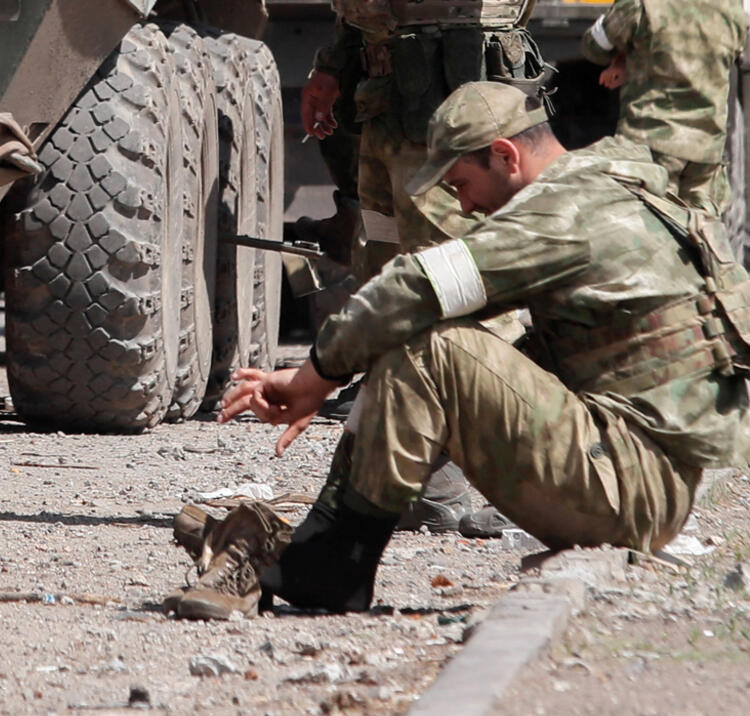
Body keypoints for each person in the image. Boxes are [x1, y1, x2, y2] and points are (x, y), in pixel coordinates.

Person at [167, 81, 750, 621]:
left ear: (504, 155)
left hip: (631, 487)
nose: (465, 209)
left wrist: (311, 380)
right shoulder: (606, 186)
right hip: (643, 474)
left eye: (461, 186)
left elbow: (412, 286)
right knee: (423, 345)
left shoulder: (557, 216)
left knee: (431, 348)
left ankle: (327, 565)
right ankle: (322, 544)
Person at [297, 3, 551, 536]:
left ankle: (521, 483)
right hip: (385, 101)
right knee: (387, 273)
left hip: (454, 104)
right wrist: (336, 63)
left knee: (464, 288)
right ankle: (422, 480)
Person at [582, 0, 747, 214]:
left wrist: (626, 56)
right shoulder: (732, 6)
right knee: (703, 234)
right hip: (707, 152)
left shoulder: (642, 4)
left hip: (653, 147)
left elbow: (595, 46)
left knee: (651, 231)